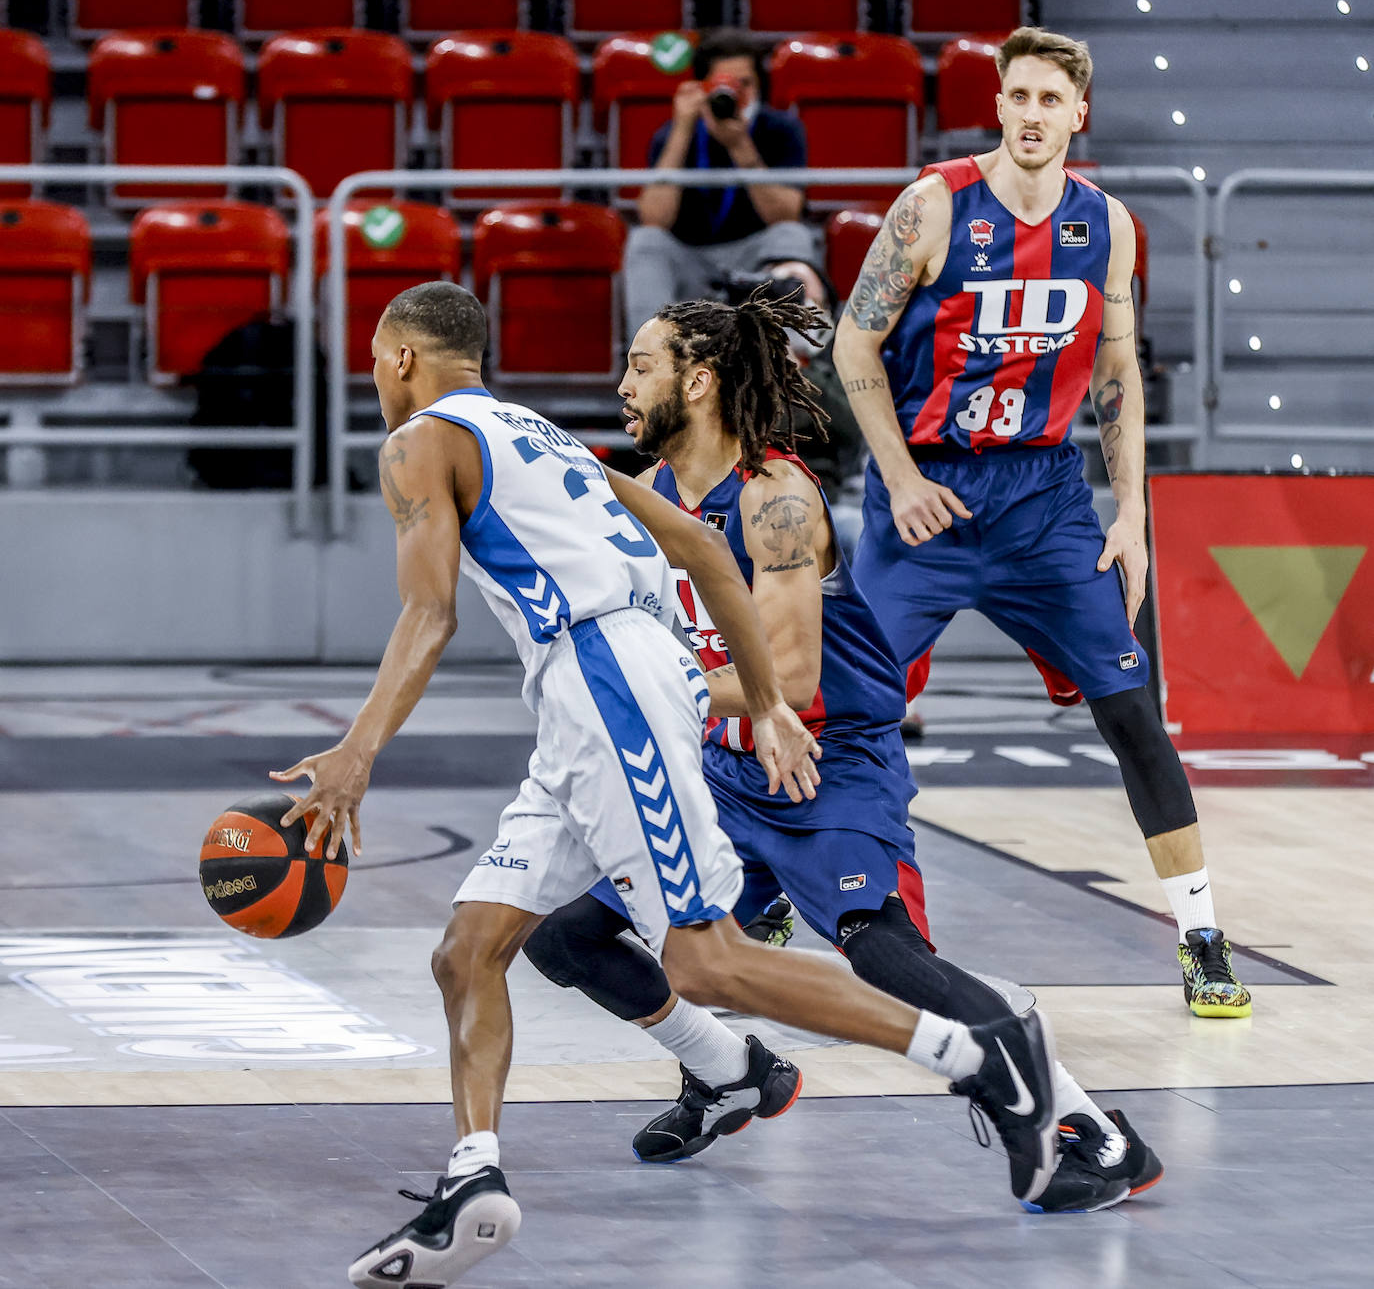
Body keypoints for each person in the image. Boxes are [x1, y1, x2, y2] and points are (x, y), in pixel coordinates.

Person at [271, 281, 1060, 1289]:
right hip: (584, 700)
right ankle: (483, 1176)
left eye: (373, 365)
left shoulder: (418, 441)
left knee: (709, 959)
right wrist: (765, 697)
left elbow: (429, 616)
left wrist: (353, 758)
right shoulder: (541, 436)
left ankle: (977, 1054)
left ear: (396, 359)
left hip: (608, 680)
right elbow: (696, 548)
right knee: (470, 949)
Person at [523, 292, 1162, 1215]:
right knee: (565, 938)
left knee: (883, 955)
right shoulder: (660, 496)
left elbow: (785, 673)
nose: (623, 386)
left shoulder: (775, 498)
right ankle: (728, 1071)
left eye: (641, 366)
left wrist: (643, 690)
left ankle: (1092, 1130)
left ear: (698, 382)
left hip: (829, 765)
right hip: (729, 779)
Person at [831, 27, 1251, 1017]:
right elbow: (854, 348)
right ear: (1000, 104)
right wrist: (895, 478)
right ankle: (784, 899)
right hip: (926, 496)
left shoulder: (1108, 227)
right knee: (844, 706)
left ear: (1078, 114)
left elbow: (1116, 372)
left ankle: (1201, 937)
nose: (1029, 114)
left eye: (1047, 100)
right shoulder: (932, 205)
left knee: (1132, 713)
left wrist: (1132, 518)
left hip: (1043, 500)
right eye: (1015, 96)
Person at [624, 29, 820, 338]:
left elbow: (785, 214)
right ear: (703, 87)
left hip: (755, 260)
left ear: (759, 86)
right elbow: (654, 218)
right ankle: (652, 363)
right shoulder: (673, 134)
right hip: (692, 259)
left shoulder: (782, 129)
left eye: (745, 84)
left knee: (792, 235)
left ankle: (791, 362)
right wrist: (682, 130)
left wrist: (741, 148)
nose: (736, 93)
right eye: (724, 84)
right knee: (645, 242)